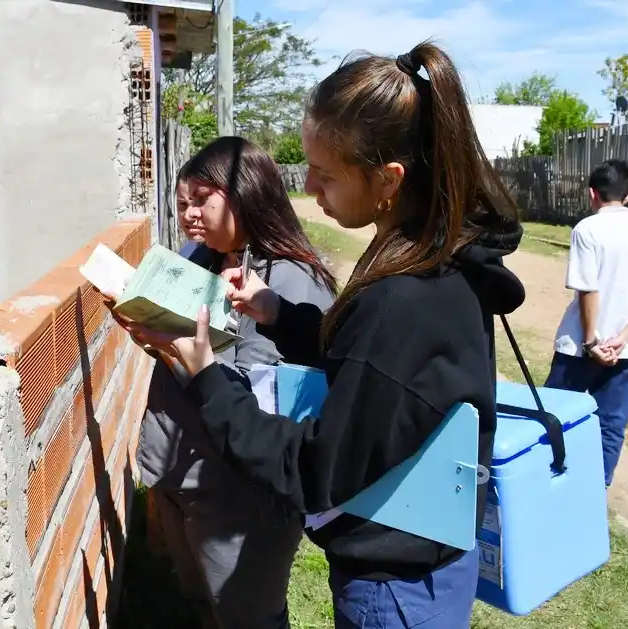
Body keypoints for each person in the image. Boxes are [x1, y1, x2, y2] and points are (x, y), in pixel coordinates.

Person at [126, 43, 526, 628]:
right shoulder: (430, 262)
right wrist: (278, 316)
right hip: (412, 569)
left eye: (326, 174)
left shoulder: (410, 297)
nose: (308, 186)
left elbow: (315, 470)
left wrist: (206, 377)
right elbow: (377, 372)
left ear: (389, 178)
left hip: (396, 591)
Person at [132, 136, 337, 629]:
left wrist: (188, 355)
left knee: (247, 614)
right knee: (202, 602)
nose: (189, 214)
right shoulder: (194, 260)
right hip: (183, 470)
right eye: (183, 203)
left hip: (242, 489)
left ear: (247, 193)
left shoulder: (292, 280)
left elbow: (271, 386)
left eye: (202, 199)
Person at [545, 159, 628, 487]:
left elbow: (589, 290)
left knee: (551, 417)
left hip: (578, 348)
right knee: (610, 427)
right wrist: (624, 337)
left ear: (591, 193)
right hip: (625, 351)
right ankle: (594, 495)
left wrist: (591, 343)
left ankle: (544, 485)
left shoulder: (588, 229)